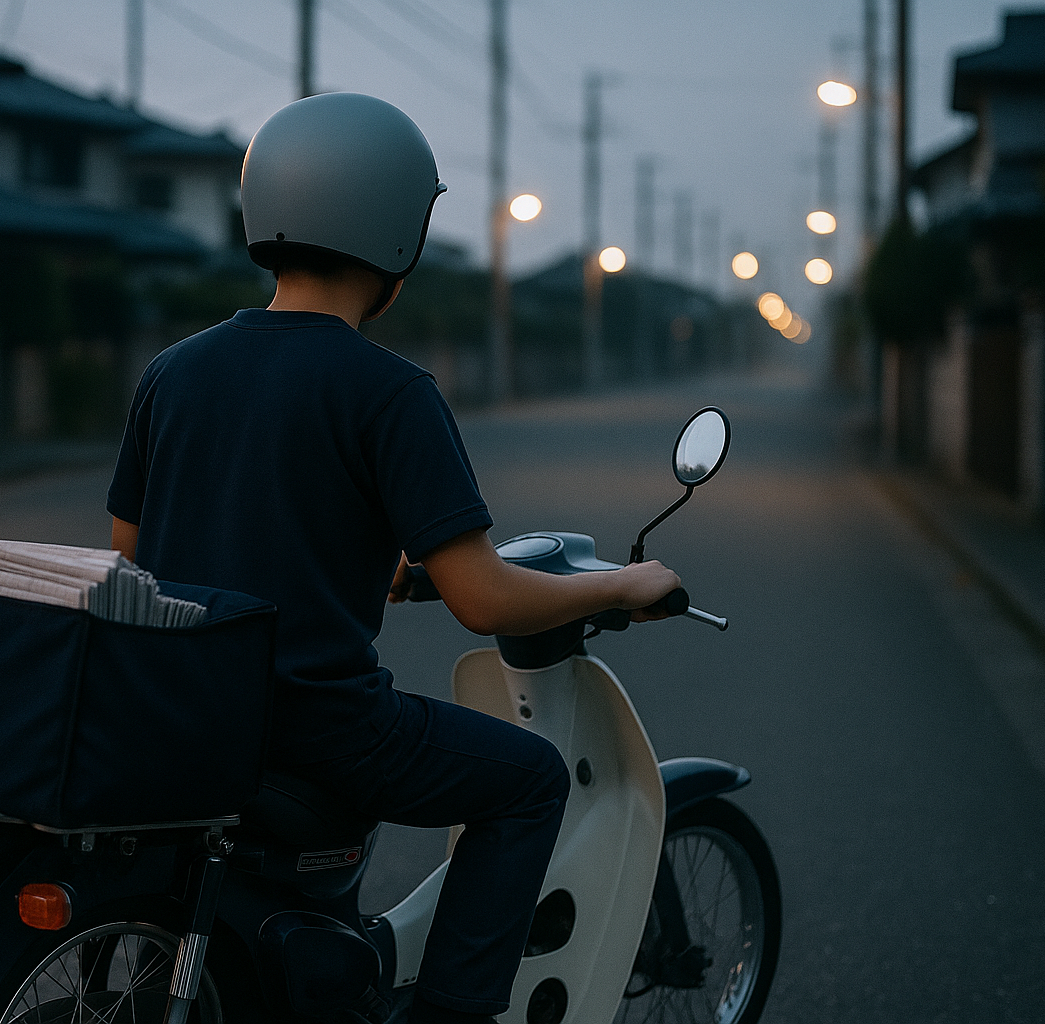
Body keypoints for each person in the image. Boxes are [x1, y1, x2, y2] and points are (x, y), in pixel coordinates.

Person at [106, 93, 680, 1024]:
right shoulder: (389, 392)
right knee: (529, 782)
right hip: (319, 728)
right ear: (397, 239)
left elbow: (135, 556)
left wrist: (350, 568)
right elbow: (485, 600)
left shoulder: (174, 370)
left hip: (181, 719)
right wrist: (624, 582)